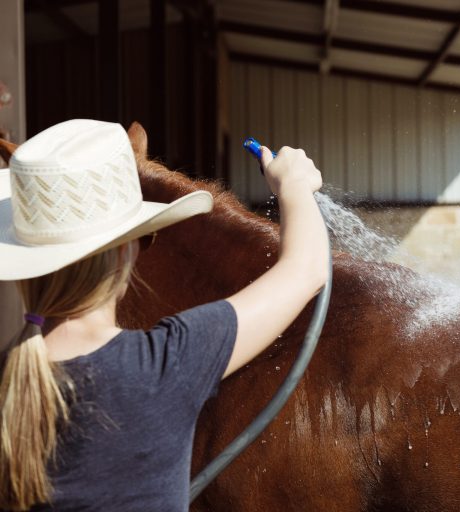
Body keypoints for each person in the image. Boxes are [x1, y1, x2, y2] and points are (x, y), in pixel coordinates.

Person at [0, 119, 329, 511]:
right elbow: (306, 268)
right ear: (127, 253)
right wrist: (293, 184)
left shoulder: (9, 382)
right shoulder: (166, 362)